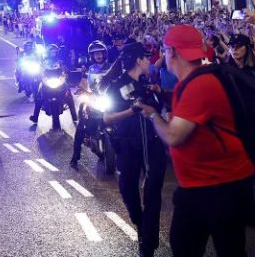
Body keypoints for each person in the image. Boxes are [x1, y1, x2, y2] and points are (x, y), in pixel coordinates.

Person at [137, 24, 255, 257]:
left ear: (172, 52)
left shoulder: (199, 85)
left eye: (165, 50)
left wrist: (152, 114)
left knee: (224, 250)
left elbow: (174, 136)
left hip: (219, 185)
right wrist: (163, 94)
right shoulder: (192, 81)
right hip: (200, 185)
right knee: (186, 245)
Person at [102, 41, 166, 257]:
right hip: (127, 145)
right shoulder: (116, 86)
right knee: (128, 191)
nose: (149, 62)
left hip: (153, 145)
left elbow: (160, 109)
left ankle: (147, 246)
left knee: (153, 194)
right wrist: (131, 111)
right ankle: (141, 225)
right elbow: (107, 118)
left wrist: (159, 93)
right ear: (138, 60)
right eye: (146, 58)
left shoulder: (149, 83)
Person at [70, 40, 110, 169]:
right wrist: (82, 90)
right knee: (81, 127)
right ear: (91, 56)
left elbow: (117, 81)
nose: (98, 56)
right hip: (93, 99)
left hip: (109, 99)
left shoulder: (111, 67)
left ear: (104, 54)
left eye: (100, 53)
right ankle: (75, 156)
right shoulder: (88, 69)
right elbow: (83, 82)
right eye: (95, 54)